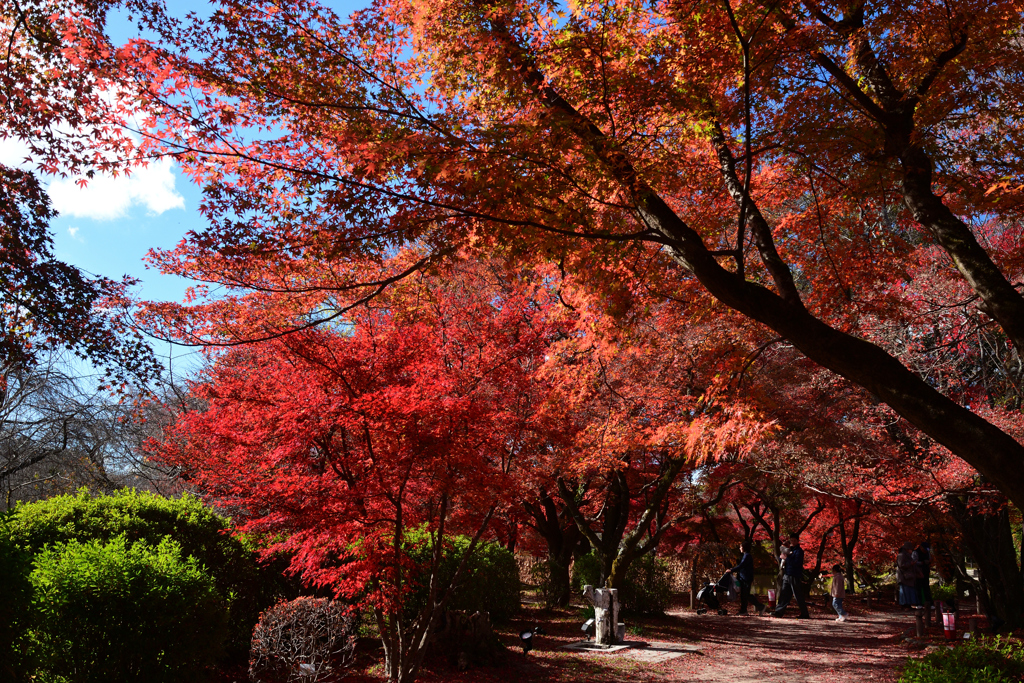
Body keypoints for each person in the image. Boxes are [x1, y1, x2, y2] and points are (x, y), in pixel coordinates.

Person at [773, 532, 810, 619]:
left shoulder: (799, 551)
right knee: (784, 594)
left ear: (798, 541)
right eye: (791, 540)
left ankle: (805, 614)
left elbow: (796, 563)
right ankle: (778, 612)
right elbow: (783, 558)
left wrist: (787, 558)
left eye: (794, 540)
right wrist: (781, 557)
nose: (792, 542)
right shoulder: (789, 550)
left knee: (798, 596)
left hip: (795, 575)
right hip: (787, 574)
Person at [730, 540, 765, 615]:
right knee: (744, 594)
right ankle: (746, 609)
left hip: (746, 578)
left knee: (745, 594)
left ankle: (756, 607)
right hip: (744, 578)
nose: (740, 548)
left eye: (740, 546)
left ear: (744, 547)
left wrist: (731, 570)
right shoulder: (745, 555)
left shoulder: (747, 556)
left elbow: (741, 566)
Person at [897, 542, 919, 607]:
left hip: (909, 576)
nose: (911, 551)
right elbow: (901, 565)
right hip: (904, 576)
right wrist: (910, 564)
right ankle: (904, 605)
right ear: (907, 549)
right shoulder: (901, 555)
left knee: (909, 591)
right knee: (905, 591)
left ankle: (909, 604)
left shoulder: (908, 556)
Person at [913, 541, 932, 607]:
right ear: (921, 547)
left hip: (926, 570)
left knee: (926, 587)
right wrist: (922, 562)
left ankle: (929, 602)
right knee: (918, 587)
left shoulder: (927, 552)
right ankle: (918, 603)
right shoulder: (915, 552)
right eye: (924, 549)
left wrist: (928, 562)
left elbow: (930, 559)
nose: (925, 551)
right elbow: (914, 562)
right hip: (918, 571)